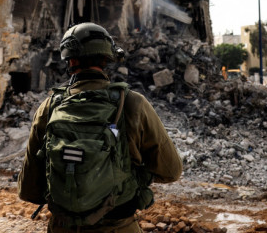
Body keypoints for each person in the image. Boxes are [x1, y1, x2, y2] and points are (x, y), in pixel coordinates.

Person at [18, 22, 182, 233]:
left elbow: (28, 191)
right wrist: (133, 175)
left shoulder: (49, 108)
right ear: (107, 59)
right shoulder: (132, 104)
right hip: (119, 227)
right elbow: (171, 171)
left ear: (70, 60)